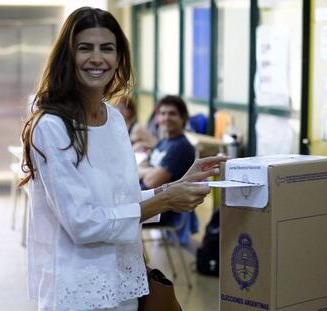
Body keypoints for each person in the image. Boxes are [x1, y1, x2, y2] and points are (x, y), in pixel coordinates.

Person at [19, 7, 225, 311]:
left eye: (107, 48)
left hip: (125, 282)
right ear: (67, 56)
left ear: (119, 58)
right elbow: (83, 223)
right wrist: (167, 201)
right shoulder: (52, 126)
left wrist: (176, 187)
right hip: (78, 291)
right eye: (85, 48)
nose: (97, 58)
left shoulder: (114, 120)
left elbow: (121, 201)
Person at [138, 95, 197, 244]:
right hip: (145, 199)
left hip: (162, 209)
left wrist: (146, 172)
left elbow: (151, 181)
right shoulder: (164, 142)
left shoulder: (181, 147)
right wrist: (150, 171)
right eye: (162, 113)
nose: (166, 118)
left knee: (116, 219)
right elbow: (140, 167)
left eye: (172, 113)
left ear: (183, 118)